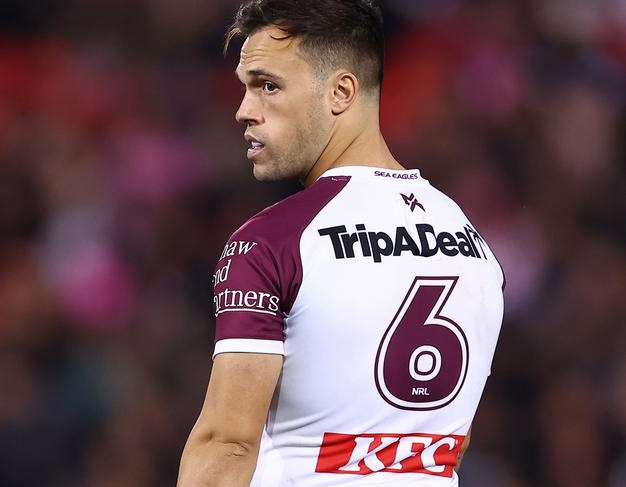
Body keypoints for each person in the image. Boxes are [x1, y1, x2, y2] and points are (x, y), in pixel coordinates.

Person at [177, 0, 504, 485]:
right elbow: (447, 440)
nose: (244, 111)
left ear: (341, 91)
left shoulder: (271, 245)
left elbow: (228, 445)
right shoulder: (475, 246)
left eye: (268, 86)